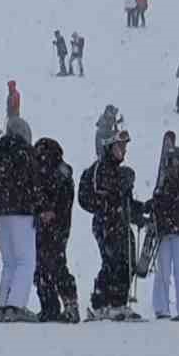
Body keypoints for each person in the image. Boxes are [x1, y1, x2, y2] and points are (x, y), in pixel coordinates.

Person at [79, 131, 146, 321]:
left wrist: (140, 211)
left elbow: (125, 202)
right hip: (105, 222)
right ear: (110, 147)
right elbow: (99, 196)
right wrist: (112, 201)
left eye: (125, 147)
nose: (123, 151)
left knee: (127, 261)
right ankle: (102, 304)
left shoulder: (119, 171)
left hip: (120, 222)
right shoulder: (101, 167)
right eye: (120, 147)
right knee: (112, 261)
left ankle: (119, 302)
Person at [0, 118, 40, 321]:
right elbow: (35, 183)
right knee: (26, 261)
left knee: (9, 262)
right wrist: (39, 206)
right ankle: (15, 305)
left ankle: (2, 304)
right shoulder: (27, 154)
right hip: (22, 212)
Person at [33, 138, 79, 323]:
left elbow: (55, 198)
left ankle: (64, 306)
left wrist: (46, 209)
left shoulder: (55, 173)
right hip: (55, 226)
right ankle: (53, 307)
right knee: (47, 266)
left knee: (53, 265)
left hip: (54, 226)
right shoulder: (60, 172)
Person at [150, 148, 179, 320]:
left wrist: (164, 200)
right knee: (162, 270)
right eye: (169, 163)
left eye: (175, 163)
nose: (171, 167)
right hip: (165, 232)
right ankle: (161, 308)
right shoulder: (162, 187)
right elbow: (157, 206)